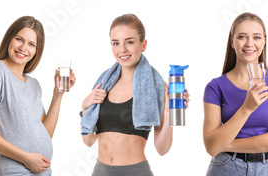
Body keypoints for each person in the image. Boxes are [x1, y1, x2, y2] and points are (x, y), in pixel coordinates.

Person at [78, 13, 187, 176]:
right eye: (116, 43)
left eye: (129, 42)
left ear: (143, 45)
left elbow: (162, 149)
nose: (122, 49)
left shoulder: (157, 85)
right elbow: (88, 141)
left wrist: (168, 114)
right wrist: (85, 107)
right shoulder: (104, 83)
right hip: (101, 170)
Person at [0, 16, 75, 176]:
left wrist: (58, 94)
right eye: (19, 39)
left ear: (36, 50)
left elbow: (45, 134)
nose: (23, 48)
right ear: (9, 39)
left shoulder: (33, 84)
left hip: (44, 172)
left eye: (31, 44)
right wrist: (25, 158)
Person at [202, 12, 268, 176]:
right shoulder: (215, 87)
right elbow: (211, 147)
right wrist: (246, 108)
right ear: (232, 42)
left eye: (256, 37)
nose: (250, 43)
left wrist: (225, 144)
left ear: (264, 41)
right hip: (225, 167)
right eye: (242, 37)